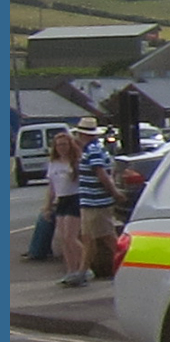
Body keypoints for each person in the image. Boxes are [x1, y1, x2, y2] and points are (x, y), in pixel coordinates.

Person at [65, 117, 125, 287]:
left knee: (107, 237)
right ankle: (83, 272)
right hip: (91, 201)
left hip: (96, 202)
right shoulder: (93, 150)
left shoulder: (93, 151)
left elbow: (101, 174)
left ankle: (125, 267)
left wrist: (114, 192)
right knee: (90, 238)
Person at [45, 131, 83, 284]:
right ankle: (71, 270)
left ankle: (84, 266)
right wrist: (47, 206)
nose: (62, 147)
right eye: (59, 145)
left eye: (64, 144)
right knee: (63, 238)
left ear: (70, 145)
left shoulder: (76, 161)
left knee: (70, 237)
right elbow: (52, 187)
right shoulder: (54, 163)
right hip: (62, 200)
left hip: (75, 198)